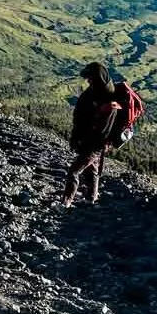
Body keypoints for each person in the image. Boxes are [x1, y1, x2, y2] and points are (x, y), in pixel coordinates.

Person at [62, 62, 119, 208]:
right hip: (91, 143)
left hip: (95, 145)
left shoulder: (109, 103)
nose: (88, 81)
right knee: (91, 170)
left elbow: (102, 130)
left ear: (98, 78)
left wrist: (84, 142)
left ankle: (66, 202)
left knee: (74, 171)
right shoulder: (96, 92)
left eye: (91, 78)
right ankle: (91, 199)